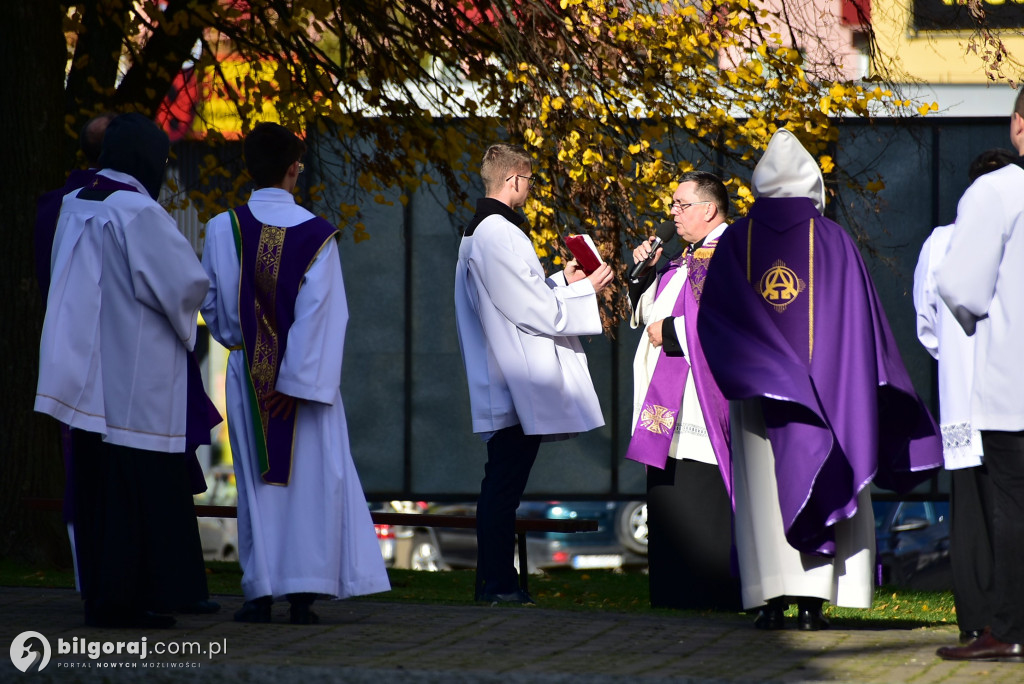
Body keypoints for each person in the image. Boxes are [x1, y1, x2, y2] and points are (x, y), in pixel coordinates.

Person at [696, 129, 942, 630]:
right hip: (832, 395)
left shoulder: (736, 239)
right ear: (812, 184)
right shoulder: (834, 240)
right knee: (826, 469)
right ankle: (814, 602)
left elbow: (713, 320)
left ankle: (769, 602)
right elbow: (866, 328)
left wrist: (768, 370)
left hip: (757, 395)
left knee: (762, 490)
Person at [200, 122, 390, 625]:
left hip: (248, 374)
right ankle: (304, 594)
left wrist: (246, 348)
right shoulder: (317, 233)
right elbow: (325, 314)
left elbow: (215, 306)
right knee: (308, 482)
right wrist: (298, 382)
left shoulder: (223, 228)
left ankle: (259, 591)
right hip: (305, 383)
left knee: (256, 483)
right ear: (291, 170)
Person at [35, 113, 213, 628]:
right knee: (134, 495)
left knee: (98, 490)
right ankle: (129, 602)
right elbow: (184, 284)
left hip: (92, 377)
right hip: (138, 377)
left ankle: (102, 596)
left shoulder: (78, 202)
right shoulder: (138, 211)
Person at [454, 143, 614, 604]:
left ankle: (494, 581)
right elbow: (530, 310)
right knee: (503, 486)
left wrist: (563, 282)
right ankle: (497, 583)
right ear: (515, 181)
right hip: (513, 378)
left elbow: (522, 296)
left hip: (507, 371)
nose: (530, 188)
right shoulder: (497, 233)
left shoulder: (481, 232)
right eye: (529, 181)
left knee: (501, 482)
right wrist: (585, 289)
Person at [934, 89, 1024, 662]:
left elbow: (959, 286)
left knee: (1013, 509)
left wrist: (979, 321)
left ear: (1019, 124)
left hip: (1015, 383)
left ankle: (1010, 627)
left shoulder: (999, 190)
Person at [624, 171, 740, 610]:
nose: (672, 213)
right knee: (669, 491)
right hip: (668, 398)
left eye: (681, 204)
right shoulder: (687, 257)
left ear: (709, 209)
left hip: (700, 399)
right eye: (672, 205)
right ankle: (673, 592)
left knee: (699, 492)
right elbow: (656, 307)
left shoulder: (730, 253)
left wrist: (670, 332)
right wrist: (646, 274)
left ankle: (709, 593)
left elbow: (729, 321)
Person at [913, 147, 1015, 646]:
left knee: (972, 510)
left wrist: (953, 359)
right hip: (1010, 394)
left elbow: (926, 326)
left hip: (963, 397)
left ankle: (977, 618)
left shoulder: (939, 243)